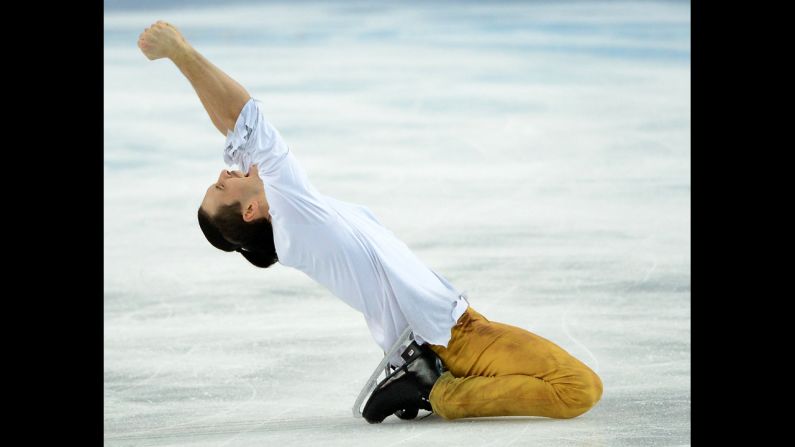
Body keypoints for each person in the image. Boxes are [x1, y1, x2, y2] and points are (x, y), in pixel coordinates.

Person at [137, 20, 603, 423]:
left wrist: (185, 60)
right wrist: (181, 52)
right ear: (252, 211)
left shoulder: (299, 220)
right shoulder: (298, 216)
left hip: (447, 330)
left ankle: (423, 378)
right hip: (450, 336)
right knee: (577, 387)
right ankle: (433, 389)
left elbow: (234, 128)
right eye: (221, 187)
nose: (223, 173)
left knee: (569, 383)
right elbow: (249, 119)